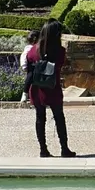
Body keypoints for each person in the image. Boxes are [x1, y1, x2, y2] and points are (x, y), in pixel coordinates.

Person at [25, 20, 74, 158]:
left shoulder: (33, 50)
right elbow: (60, 65)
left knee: (40, 118)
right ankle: (64, 148)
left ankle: (43, 149)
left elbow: (28, 68)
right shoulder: (59, 51)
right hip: (52, 88)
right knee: (59, 117)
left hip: (36, 88)